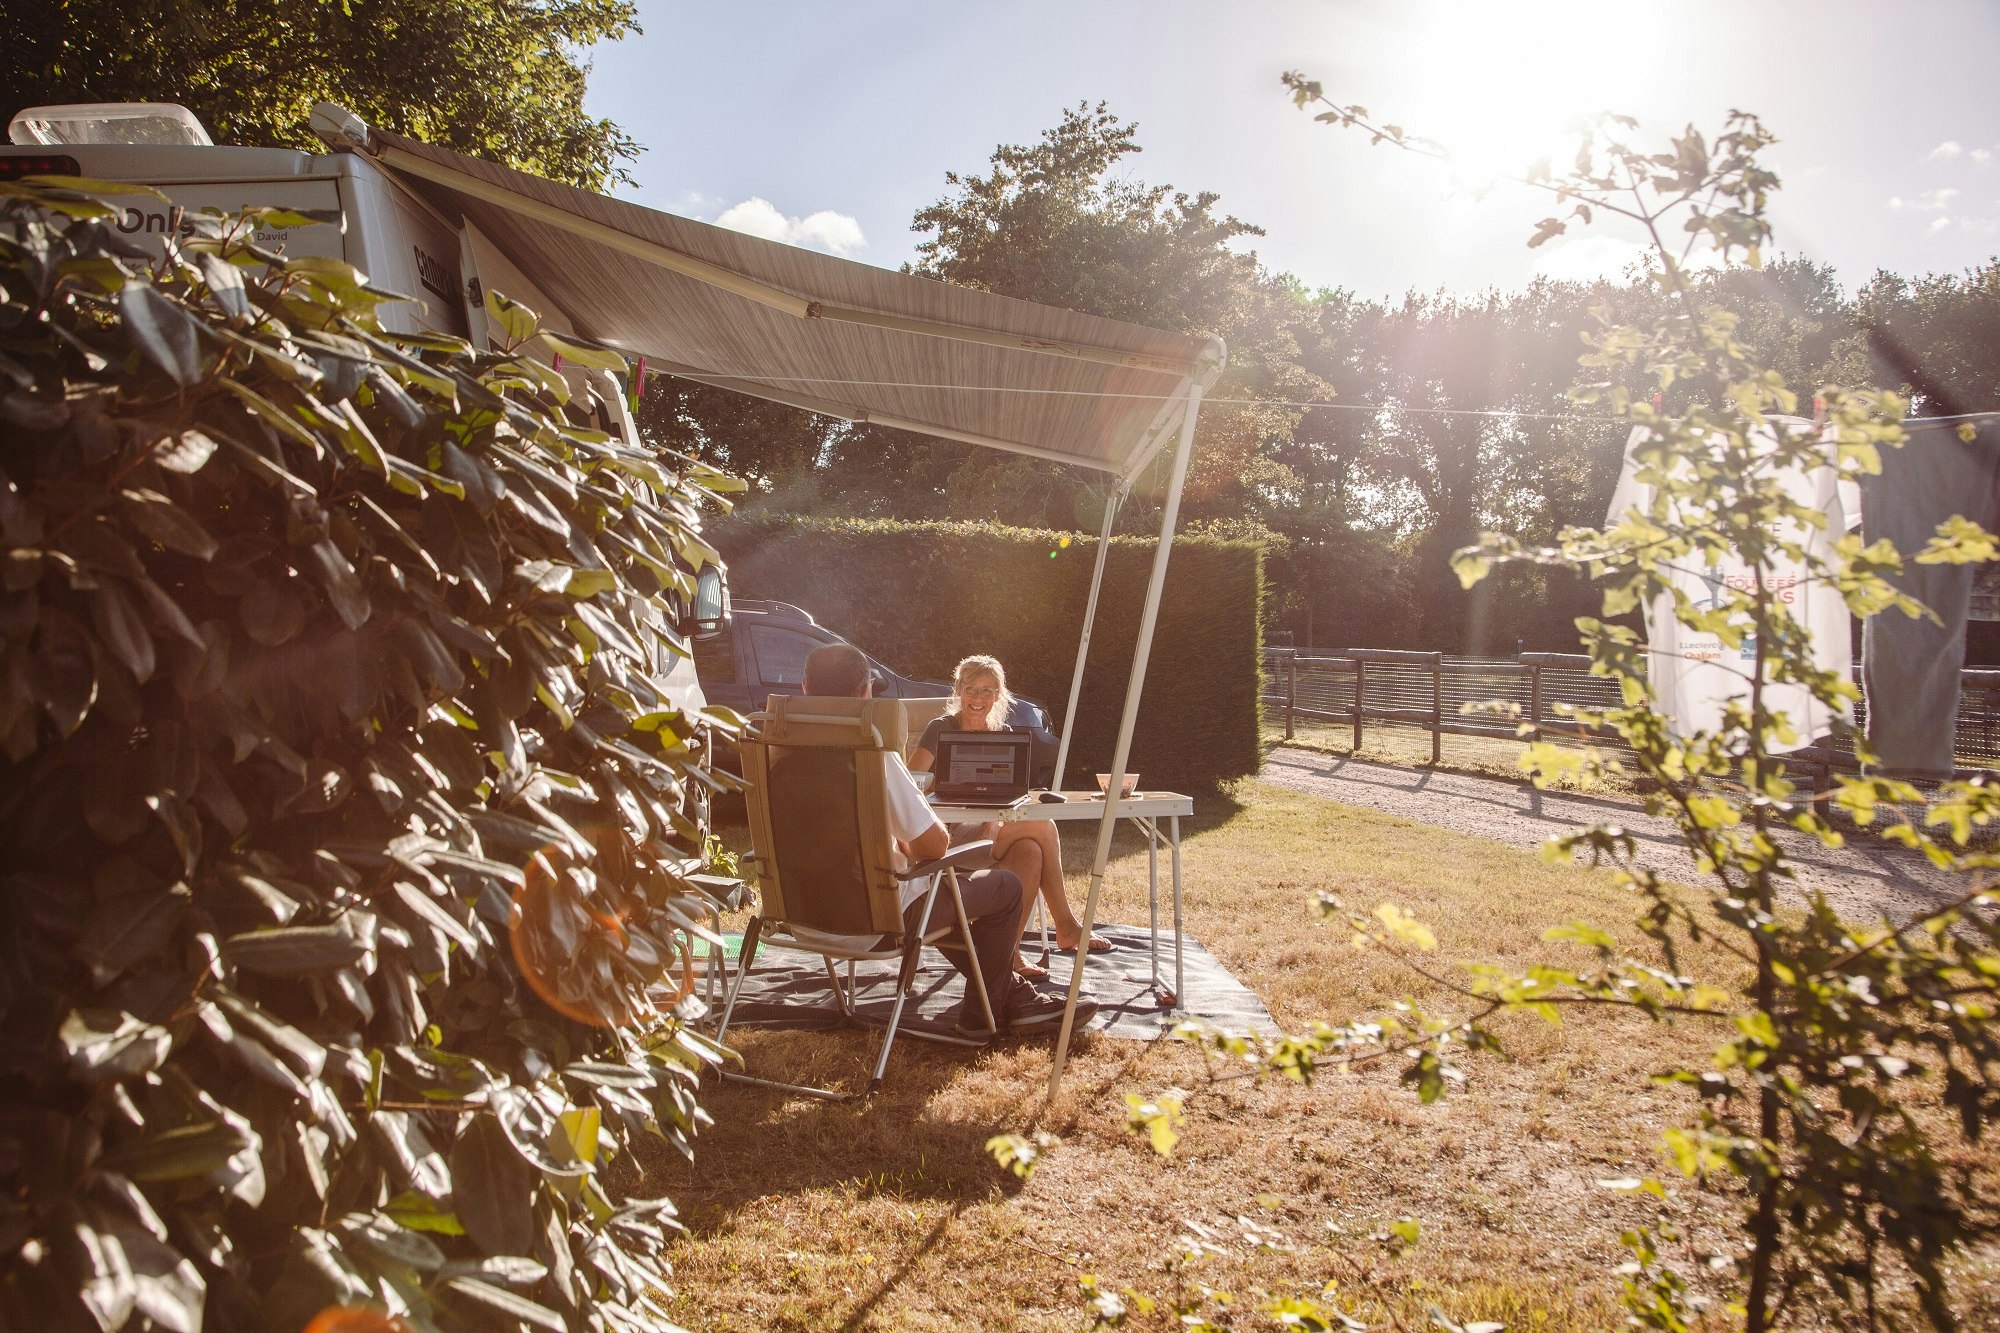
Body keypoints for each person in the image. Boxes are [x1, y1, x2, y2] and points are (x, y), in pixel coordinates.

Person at [800, 643, 1093, 1037]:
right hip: (880, 917)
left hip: (801, 915)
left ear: (803, 688)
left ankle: (1006, 989)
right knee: (1001, 887)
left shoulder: (775, 754)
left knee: (1009, 858)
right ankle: (982, 1011)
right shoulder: (874, 759)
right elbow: (932, 849)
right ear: (865, 692)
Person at [910, 654, 1112, 980]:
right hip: (948, 836)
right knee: (1043, 826)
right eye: (971, 689)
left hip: (992, 827)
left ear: (998, 695)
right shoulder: (940, 728)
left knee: (1030, 851)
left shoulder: (1002, 731)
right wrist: (943, 781)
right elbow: (910, 782)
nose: (978, 698)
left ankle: (1009, 955)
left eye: (987, 690)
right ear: (958, 690)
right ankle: (1067, 924)